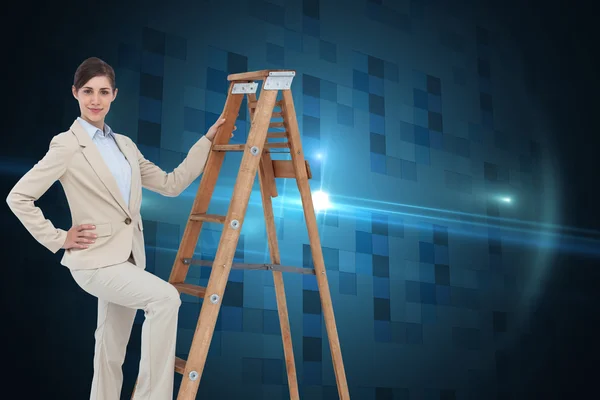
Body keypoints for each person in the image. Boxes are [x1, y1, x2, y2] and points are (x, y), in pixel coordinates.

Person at [5, 56, 235, 400]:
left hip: (127, 259)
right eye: (87, 91)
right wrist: (59, 237)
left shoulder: (125, 145)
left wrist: (206, 141)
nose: (95, 100)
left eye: (102, 91)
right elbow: (19, 197)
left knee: (110, 348)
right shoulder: (66, 144)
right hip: (94, 262)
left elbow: (171, 184)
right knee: (165, 299)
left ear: (114, 95)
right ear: (75, 93)